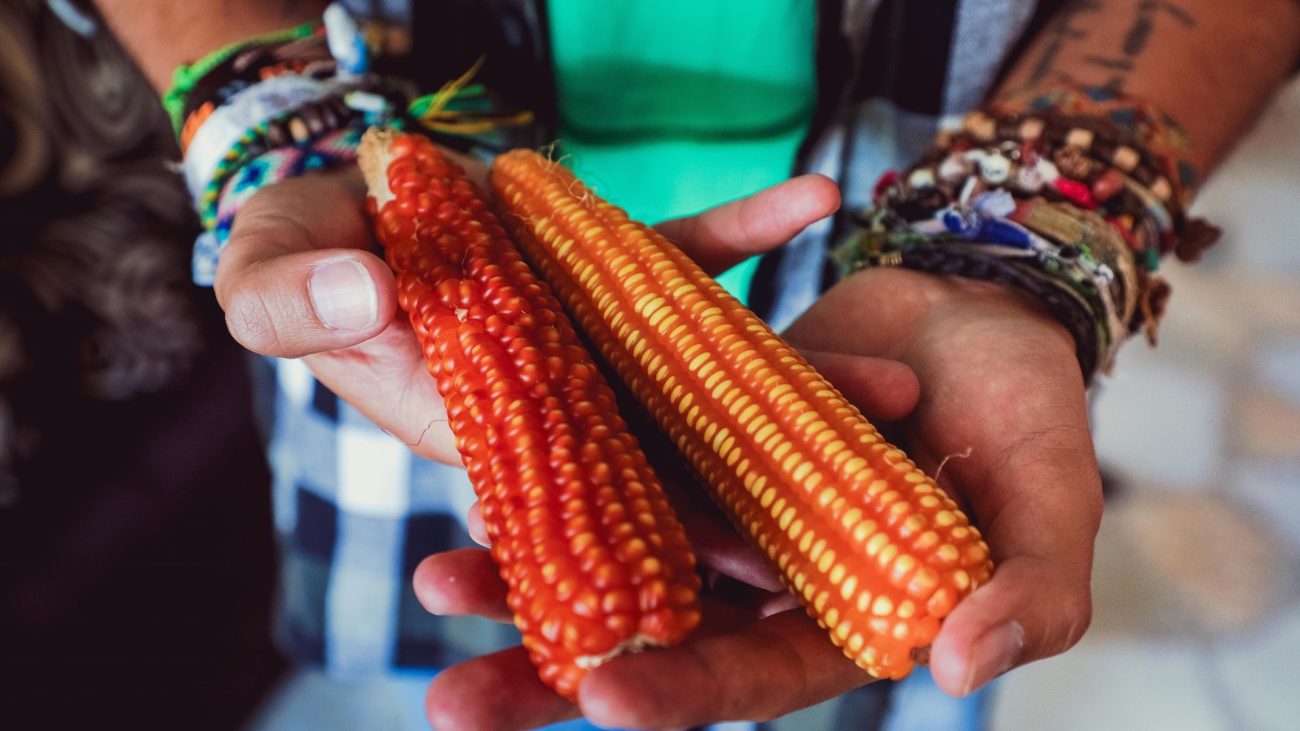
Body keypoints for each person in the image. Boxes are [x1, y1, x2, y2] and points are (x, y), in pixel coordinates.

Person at [92, 0, 1300, 729]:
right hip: (390, 378)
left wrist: (1009, 252)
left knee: (859, 685)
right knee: (434, 679)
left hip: (924, 218)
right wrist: (283, 128)